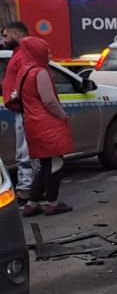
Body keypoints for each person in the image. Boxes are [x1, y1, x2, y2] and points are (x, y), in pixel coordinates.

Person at [6, 37, 73, 217]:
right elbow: (49, 101)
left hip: (31, 122)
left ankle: (32, 203)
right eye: (46, 50)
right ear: (37, 51)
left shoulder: (23, 70)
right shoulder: (40, 72)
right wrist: (63, 116)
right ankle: (52, 203)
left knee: (44, 165)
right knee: (54, 164)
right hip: (47, 123)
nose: (49, 53)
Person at [1, 21, 38, 204]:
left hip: (24, 109)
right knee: (24, 151)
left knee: (25, 152)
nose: (2, 40)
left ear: (17, 35)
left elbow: (25, 82)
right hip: (21, 109)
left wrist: (15, 96)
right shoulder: (19, 54)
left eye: (6, 36)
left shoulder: (23, 55)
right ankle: (29, 187)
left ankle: (27, 189)